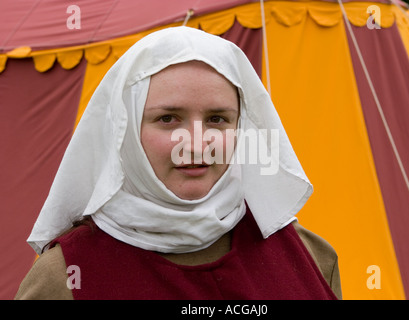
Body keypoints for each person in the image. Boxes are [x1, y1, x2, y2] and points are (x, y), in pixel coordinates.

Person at [15, 27, 341, 300]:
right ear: (124, 133)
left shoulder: (310, 256)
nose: (197, 143)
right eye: (168, 118)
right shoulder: (66, 277)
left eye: (217, 119)